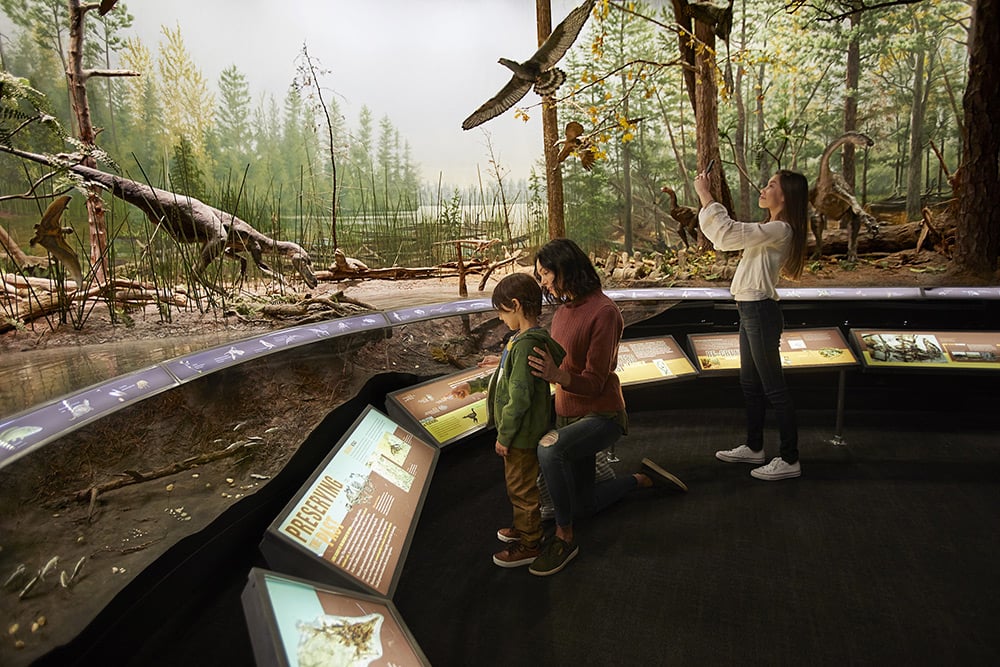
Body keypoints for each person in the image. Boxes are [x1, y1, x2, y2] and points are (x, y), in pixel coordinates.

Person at [526, 238, 686, 577]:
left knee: (549, 450)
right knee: (583, 506)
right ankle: (642, 480)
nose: (543, 283)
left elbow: (595, 383)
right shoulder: (563, 312)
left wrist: (557, 375)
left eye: (545, 274)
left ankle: (564, 538)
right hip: (569, 415)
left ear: (565, 269)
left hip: (602, 415)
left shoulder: (604, 312)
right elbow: (553, 360)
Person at [694, 168, 809, 481]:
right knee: (750, 384)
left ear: (786, 196)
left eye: (771, 185)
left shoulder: (781, 229)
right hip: (749, 310)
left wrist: (706, 195)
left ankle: (789, 458)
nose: (764, 188)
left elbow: (727, 233)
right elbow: (727, 240)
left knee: (774, 388)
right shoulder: (770, 227)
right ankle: (755, 446)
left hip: (760, 312)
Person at [452, 272, 566, 568]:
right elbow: (504, 376)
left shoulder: (526, 344)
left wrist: (505, 436)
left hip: (521, 435)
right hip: (523, 432)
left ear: (515, 305)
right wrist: (474, 387)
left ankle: (530, 543)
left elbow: (519, 397)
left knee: (521, 488)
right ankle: (525, 526)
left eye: (501, 312)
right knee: (521, 485)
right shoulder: (521, 340)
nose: (501, 319)